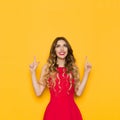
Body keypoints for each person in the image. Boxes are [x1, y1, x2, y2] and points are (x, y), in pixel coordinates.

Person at [29, 37, 92, 120]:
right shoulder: (47, 68)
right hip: (53, 113)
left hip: (71, 113)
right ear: (54, 50)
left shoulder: (73, 68)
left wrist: (86, 72)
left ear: (68, 49)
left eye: (64, 45)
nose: (62, 49)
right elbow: (38, 92)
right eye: (58, 46)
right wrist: (33, 72)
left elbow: (79, 92)